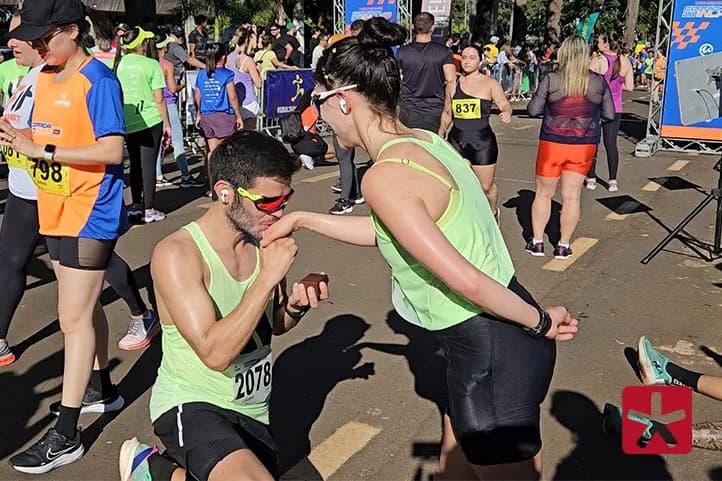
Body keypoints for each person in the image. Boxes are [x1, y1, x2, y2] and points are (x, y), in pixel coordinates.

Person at [265, 17, 578, 480]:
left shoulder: (382, 177)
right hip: (497, 331)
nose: (319, 117)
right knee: (455, 467)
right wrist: (303, 219)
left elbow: (465, 280)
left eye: (318, 103)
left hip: (491, 346)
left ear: (343, 102)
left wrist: (539, 323)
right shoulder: (424, 141)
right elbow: (393, 233)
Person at [119, 130, 329, 481]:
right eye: (268, 203)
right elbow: (214, 354)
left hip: (253, 411)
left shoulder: (264, 241)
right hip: (192, 403)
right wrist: (266, 279)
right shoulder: (178, 254)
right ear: (225, 193)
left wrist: (295, 303)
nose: (280, 213)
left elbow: (272, 325)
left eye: (285, 200)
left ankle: (154, 472)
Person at [1, 0, 128, 473]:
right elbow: (47, 135)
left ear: (71, 31)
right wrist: (18, 136)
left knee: (70, 318)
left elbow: (113, 149)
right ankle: (103, 390)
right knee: (86, 307)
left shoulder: (98, 79)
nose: (35, 46)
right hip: (54, 208)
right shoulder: (46, 78)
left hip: (89, 210)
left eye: (42, 38)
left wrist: (43, 148)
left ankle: (66, 434)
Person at [526, 35, 615, 260]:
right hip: (583, 144)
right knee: (572, 197)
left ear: (563, 54)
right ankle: (563, 246)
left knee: (544, 194)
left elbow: (533, 110)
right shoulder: (597, 82)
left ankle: (537, 242)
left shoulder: (552, 79)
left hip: (552, 142)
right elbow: (610, 114)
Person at [113, 26, 172, 224]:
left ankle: (136, 206)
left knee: (136, 165)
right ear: (141, 44)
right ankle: (148, 209)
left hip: (127, 122)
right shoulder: (151, 64)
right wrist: (167, 125)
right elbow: (159, 99)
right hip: (150, 121)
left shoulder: (118, 64)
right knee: (148, 165)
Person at [448, 45, 511, 222]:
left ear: (480, 60)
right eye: (464, 57)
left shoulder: (489, 84)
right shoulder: (453, 85)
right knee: (460, 184)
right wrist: (438, 134)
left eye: (472, 57)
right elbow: (447, 113)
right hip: (457, 140)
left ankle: (492, 212)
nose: (467, 61)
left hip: (482, 142)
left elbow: (503, 102)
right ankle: (468, 219)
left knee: (485, 186)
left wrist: (506, 111)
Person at [155, 33, 204, 188]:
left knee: (159, 142)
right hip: (168, 103)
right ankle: (185, 175)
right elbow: (172, 88)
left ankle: (157, 175)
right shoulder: (166, 65)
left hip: (153, 106)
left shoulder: (149, 63)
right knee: (177, 140)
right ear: (164, 47)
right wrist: (181, 85)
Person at [587, 33, 634, 192]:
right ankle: (612, 180)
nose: (597, 43)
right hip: (615, 108)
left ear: (606, 44)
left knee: (592, 142)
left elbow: (588, 83)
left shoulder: (597, 60)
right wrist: (616, 86)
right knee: (611, 144)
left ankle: (591, 177)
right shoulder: (625, 61)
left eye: (600, 40)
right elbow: (630, 87)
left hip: (597, 107)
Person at [397, 12, 457, 135]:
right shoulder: (444, 52)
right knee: (431, 150)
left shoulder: (401, 52)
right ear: (432, 28)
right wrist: (447, 113)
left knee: (408, 149)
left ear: (413, 28)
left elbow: (394, 80)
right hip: (434, 110)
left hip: (408, 110)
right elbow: (451, 82)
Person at [195, 43, 244, 193]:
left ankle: (212, 184)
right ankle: (228, 182)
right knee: (227, 150)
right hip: (223, 115)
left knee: (212, 151)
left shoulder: (202, 74)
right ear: (223, 57)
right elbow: (233, 96)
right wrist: (238, 115)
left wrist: (198, 113)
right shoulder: (227, 74)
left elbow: (198, 95)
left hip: (206, 115)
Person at [226, 28, 262, 130]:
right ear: (247, 40)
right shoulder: (248, 60)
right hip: (248, 103)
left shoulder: (228, 58)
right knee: (248, 138)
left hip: (234, 103)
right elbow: (258, 84)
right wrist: (258, 70)